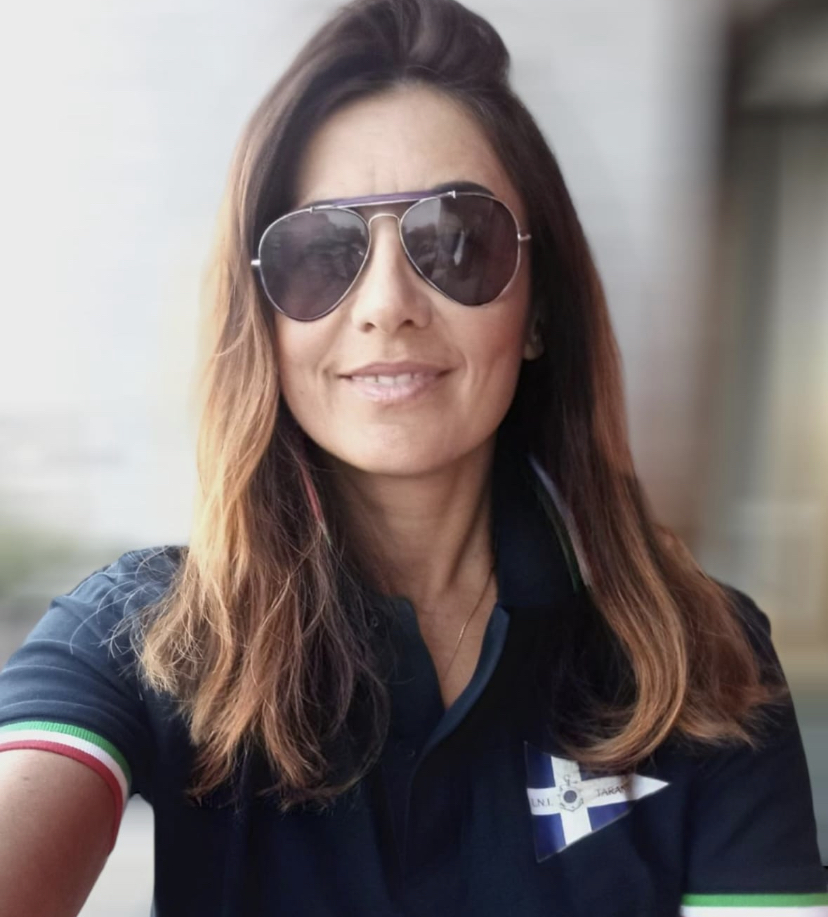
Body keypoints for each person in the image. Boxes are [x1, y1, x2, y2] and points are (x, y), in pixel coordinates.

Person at [0, 0, 825, 914]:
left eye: (455, 241)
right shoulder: (146, 634)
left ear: (539, 309)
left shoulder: (701, 654)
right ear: (264, 321)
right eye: (322, 252)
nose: (387, 302)